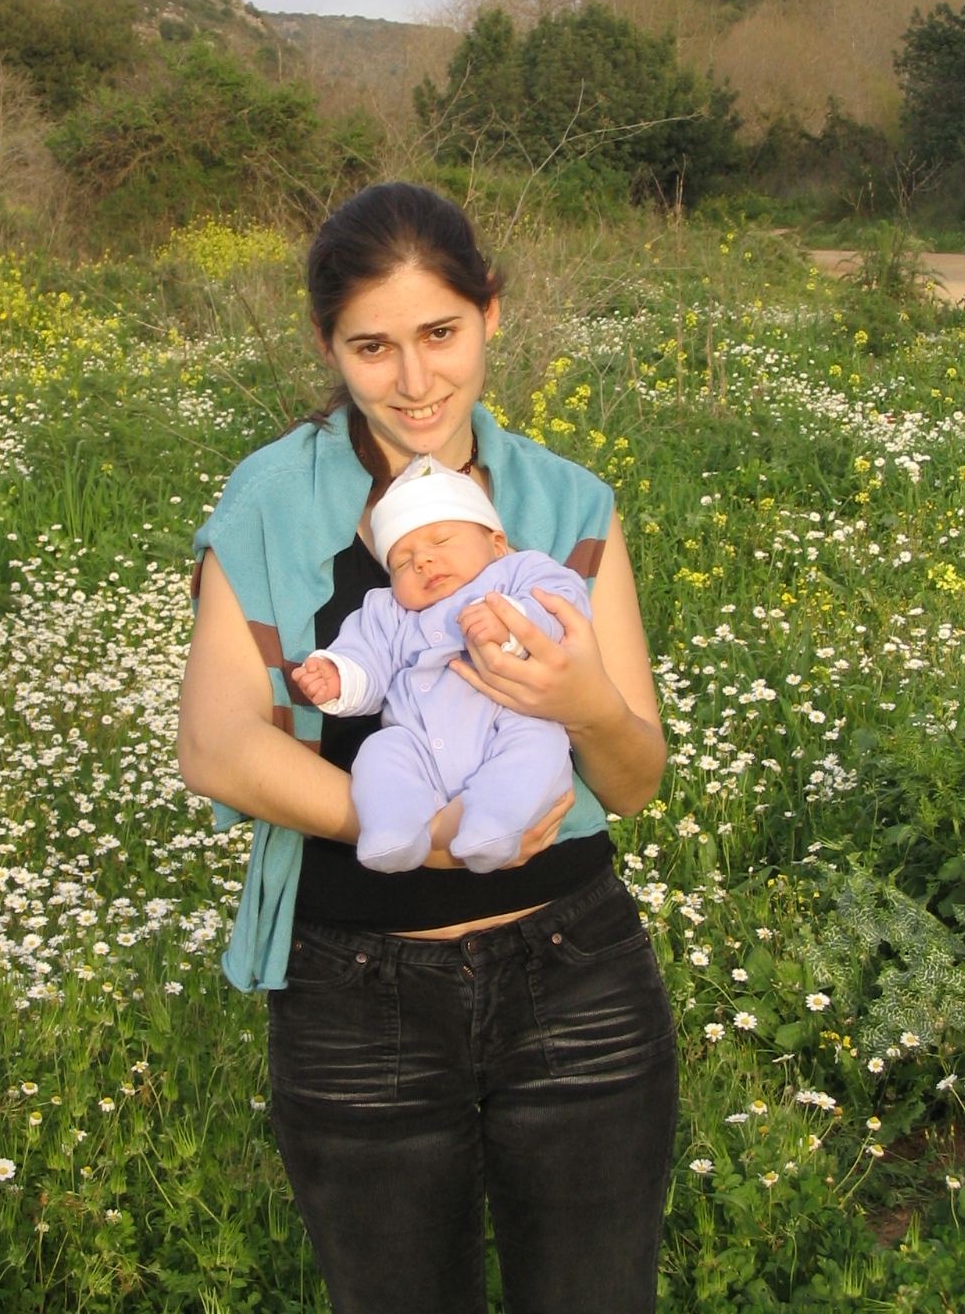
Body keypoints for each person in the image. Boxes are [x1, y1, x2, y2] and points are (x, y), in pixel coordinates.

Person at [177, 183, 677, 1314]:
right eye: (373, 347)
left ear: (490, 311)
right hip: (356, 998)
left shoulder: (568, 502)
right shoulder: (268, 501)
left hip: (579, 977)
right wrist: (420, 834)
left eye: (441, 333)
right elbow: (216, 744)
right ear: (328, 346)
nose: (414, 381)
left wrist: (587, 704)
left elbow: (633, 781)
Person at [292, 453, 593, 873]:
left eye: (441, 541)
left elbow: (564, 599)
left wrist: (515, 622)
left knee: (538, 747)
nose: (422, 561)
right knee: (380, 752)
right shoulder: (388, 611)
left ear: (496, 544)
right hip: (420, 745)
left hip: (509, 723)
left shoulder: (517, 573)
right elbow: (366, 654)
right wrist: (342, 676)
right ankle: (393, 830)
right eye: (402, 561)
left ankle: (494, 823)